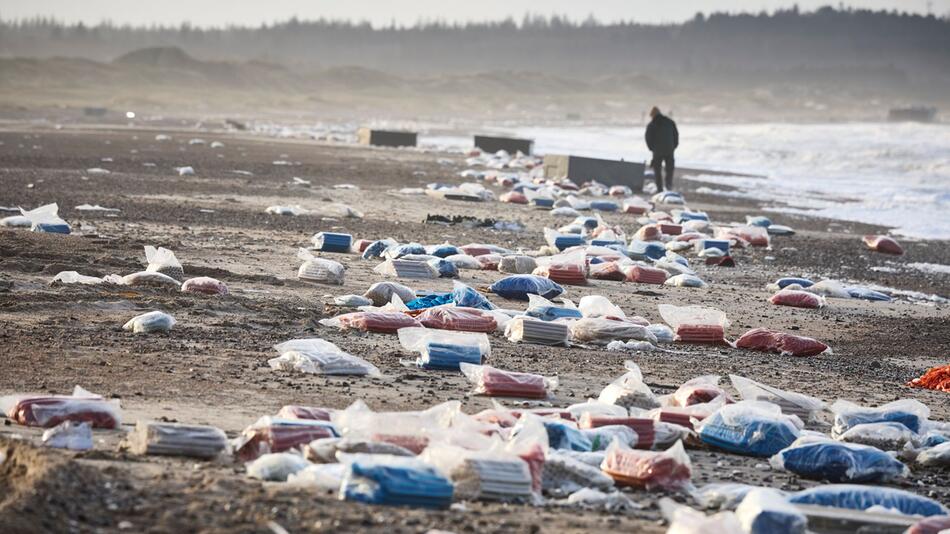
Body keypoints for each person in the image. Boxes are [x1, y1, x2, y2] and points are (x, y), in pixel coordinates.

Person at [645, 106, 679, 191]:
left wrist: (651, 148)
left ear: (652, 115)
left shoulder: (651, 124)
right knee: (669, 170)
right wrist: (673, 146)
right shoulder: (670, 122)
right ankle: (668, 186)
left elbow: (648, 138)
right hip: (669, 150)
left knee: (657, 171)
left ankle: (659, 188)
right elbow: (676, 135)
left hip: (657, 151)